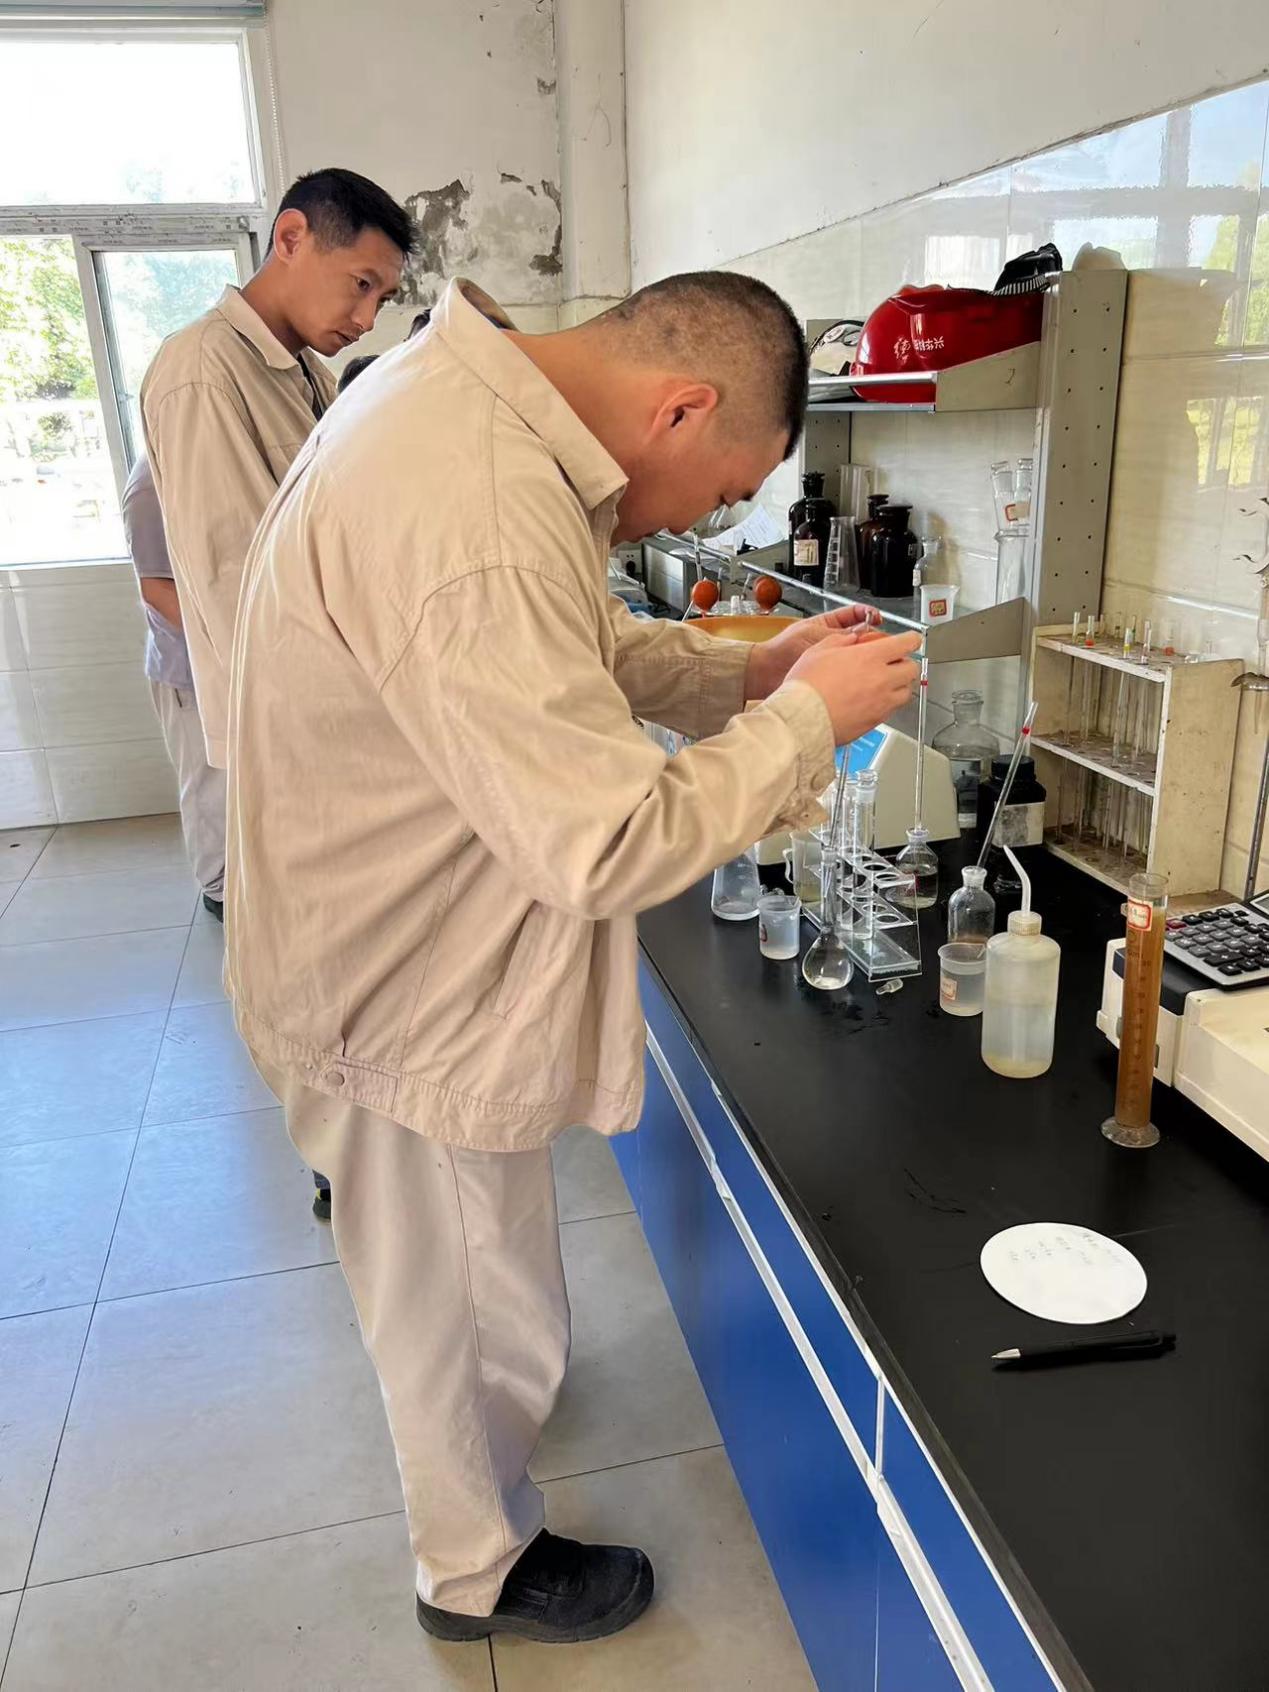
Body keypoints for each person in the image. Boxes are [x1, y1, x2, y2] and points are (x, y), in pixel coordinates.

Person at [227, 273, 921, 1647]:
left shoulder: (462, 418)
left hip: (380, 932)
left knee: (477, 1273)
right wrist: (803, 727)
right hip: (398, 978)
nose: (700, 523)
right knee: (451, 1303)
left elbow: (574, 646)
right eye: (721, 491)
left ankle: (491, 1445)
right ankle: (475, 1572)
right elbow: (605, 842)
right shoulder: (478, 501)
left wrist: (748, 675)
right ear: (681, 408)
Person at [141, 166, 413, 774]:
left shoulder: (309, 374)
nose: (368, 318)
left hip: (327, 702)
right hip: (288, 720)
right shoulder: (202, 370)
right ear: (291, 238)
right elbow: (234, 583)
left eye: (383, 298)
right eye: (361, 284)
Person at [122, 451, 225, 920]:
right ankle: (218, 888)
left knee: (232, 781)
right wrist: (229, 639)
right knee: (207, 786)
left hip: (221, 663)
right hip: (187, 670)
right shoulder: (149, 486)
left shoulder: (198, 465)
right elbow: (155, 588)